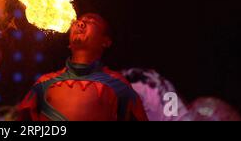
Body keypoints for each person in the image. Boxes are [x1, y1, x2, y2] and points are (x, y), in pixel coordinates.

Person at [18, 13, 148, 121]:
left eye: (92, 21)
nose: (80, 24)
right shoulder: (44, 83)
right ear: (69, 44)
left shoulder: (118, 85)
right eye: (79, 21)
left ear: (106, 42)